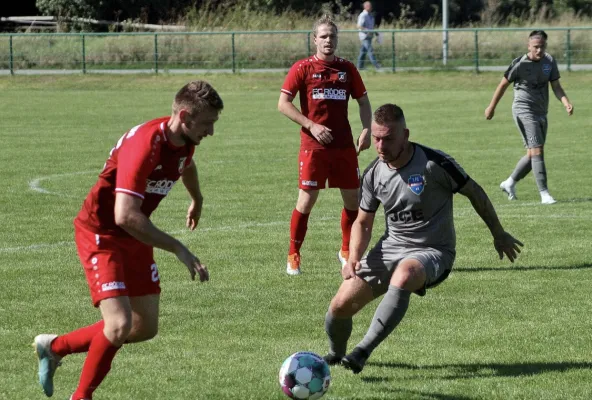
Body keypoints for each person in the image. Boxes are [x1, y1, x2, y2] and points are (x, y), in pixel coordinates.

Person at [33, 80, 223, 399]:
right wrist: (178, 248)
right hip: (102, 233)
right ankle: (81, 396)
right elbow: (123, 215)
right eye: (207, 124)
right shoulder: (145, 144)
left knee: (144, 326)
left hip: (134, 234)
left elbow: (185, 164)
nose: (211, 132)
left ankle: (54, 347)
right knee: (119, 325)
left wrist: (197, 198)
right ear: (186, 115)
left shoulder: (185, 140)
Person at [323, 103, 523, 374]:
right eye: (377, 138)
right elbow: (363, 221)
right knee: (339, 306)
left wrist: (498, 234)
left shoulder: (434, 163)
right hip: (391, 248)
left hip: (434, 250)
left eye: (388, 138)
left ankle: (362, 351)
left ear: (405, 135)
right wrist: (353, 256)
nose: (380, 146)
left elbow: (474, 192)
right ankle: (336, 354)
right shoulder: (373, 172)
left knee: (404, 274)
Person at [278, 14, 373, 275]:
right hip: (314, 147)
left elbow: (363, 102)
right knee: (306, 201)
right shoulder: (302, 68)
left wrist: (367, 128)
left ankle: (346, 250)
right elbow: (283, 104)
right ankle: (294, 254)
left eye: (332, 36)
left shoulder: (347, 69)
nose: (328, 40)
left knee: (353, 201)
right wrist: (311, 125)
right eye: (323, 36)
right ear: (314, 40)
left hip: (343, 146)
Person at [485, 30, 573, 204]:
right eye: (535, 47)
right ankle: (544, 194)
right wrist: (491, 107)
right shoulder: (520, 63)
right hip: (523, 110)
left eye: (542, 47)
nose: (539, 50)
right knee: (538, 150)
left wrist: (565, 102)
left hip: (541, 111)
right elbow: (503, 85)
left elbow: (556, 86)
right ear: (529, 46)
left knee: (533, 153)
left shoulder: (549, 62)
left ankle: (509, 183)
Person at [356, 1, 381, 70]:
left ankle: (359, 67)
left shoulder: (370, 15)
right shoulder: (363, 15)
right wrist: (368, 30)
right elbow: (359, 26)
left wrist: (375, 33)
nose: (371, 7)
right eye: (369, 6)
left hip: (369, 36)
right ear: (365, 7)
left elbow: (371, 27)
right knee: (370, 51)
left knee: (363, 52)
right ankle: (377, 66)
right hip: (365, 36)